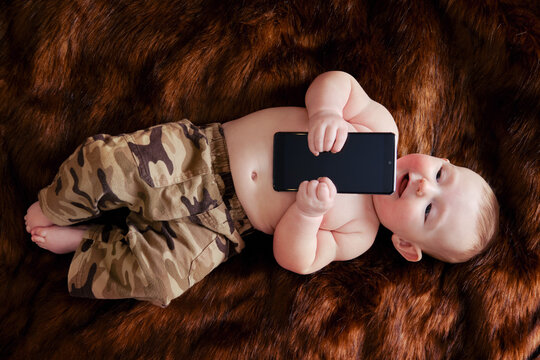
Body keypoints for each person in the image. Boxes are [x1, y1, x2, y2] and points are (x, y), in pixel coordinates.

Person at [24, 71, 499, 307]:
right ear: (440, 159)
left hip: (222, 228)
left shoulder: (360, 234)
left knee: (159, 279)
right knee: (107, 164)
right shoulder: (379, 128)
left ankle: (92, 244)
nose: (420, 185)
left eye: (429, 211)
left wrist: (308, 215)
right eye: (439, 174)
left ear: (406, 245)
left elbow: (297, 259)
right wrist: (326, 114)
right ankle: (60, 203)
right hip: (203, 154)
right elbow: (336, 83)